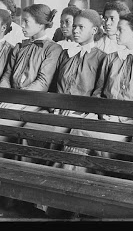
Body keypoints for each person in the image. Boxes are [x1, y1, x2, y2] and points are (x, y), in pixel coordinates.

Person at [60, 12, 133, 171]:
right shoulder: (111, 58)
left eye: (121, 30)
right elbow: (99, 92)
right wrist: (103, 112)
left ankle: (71, 177)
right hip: (105, 117)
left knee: (82, 133)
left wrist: (121, 116)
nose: (116, 33)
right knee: (78, 131)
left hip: (130, 123)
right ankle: (71, 179)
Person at [23, 9, 107, 162]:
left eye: (81, 27)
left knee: (59, 132)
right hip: (58, 110)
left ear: (94, 30)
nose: (75, 30)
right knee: (30, 126)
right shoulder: (66, 54)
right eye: (74, 26)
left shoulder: (102, 58)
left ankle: (54, 171)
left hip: (80, 114)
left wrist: (79, 110)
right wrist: (53, 105)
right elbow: (54, 85)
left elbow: (98, 92)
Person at [0, 4, 63, 150]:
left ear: (40, 24)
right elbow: (7, 75)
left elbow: (42, 83)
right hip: (13, 97)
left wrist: (15, 99)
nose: (22, 25)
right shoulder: (19, 46)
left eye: (26, 21)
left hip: (34, 101)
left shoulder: (53, 49)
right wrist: (2, 95)